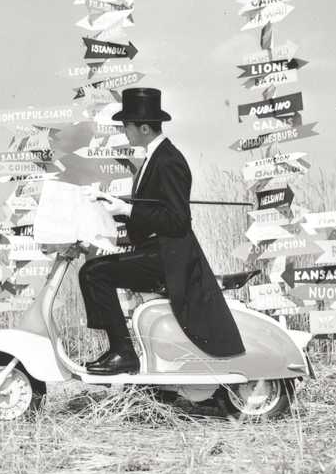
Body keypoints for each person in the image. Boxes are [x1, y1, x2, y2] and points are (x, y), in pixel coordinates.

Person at [80, 88, 245, 374]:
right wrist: (117, 208)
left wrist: (128, 210)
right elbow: (156, 211)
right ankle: (120, 349)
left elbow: (177, 220)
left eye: (126, 126)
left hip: (169, 260)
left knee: (94, 273)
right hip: (159, 253)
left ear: (143, 127)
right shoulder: (155, 157)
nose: (124, 132)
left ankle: (123, 352)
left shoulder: (168, 160)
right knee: (94, 270)